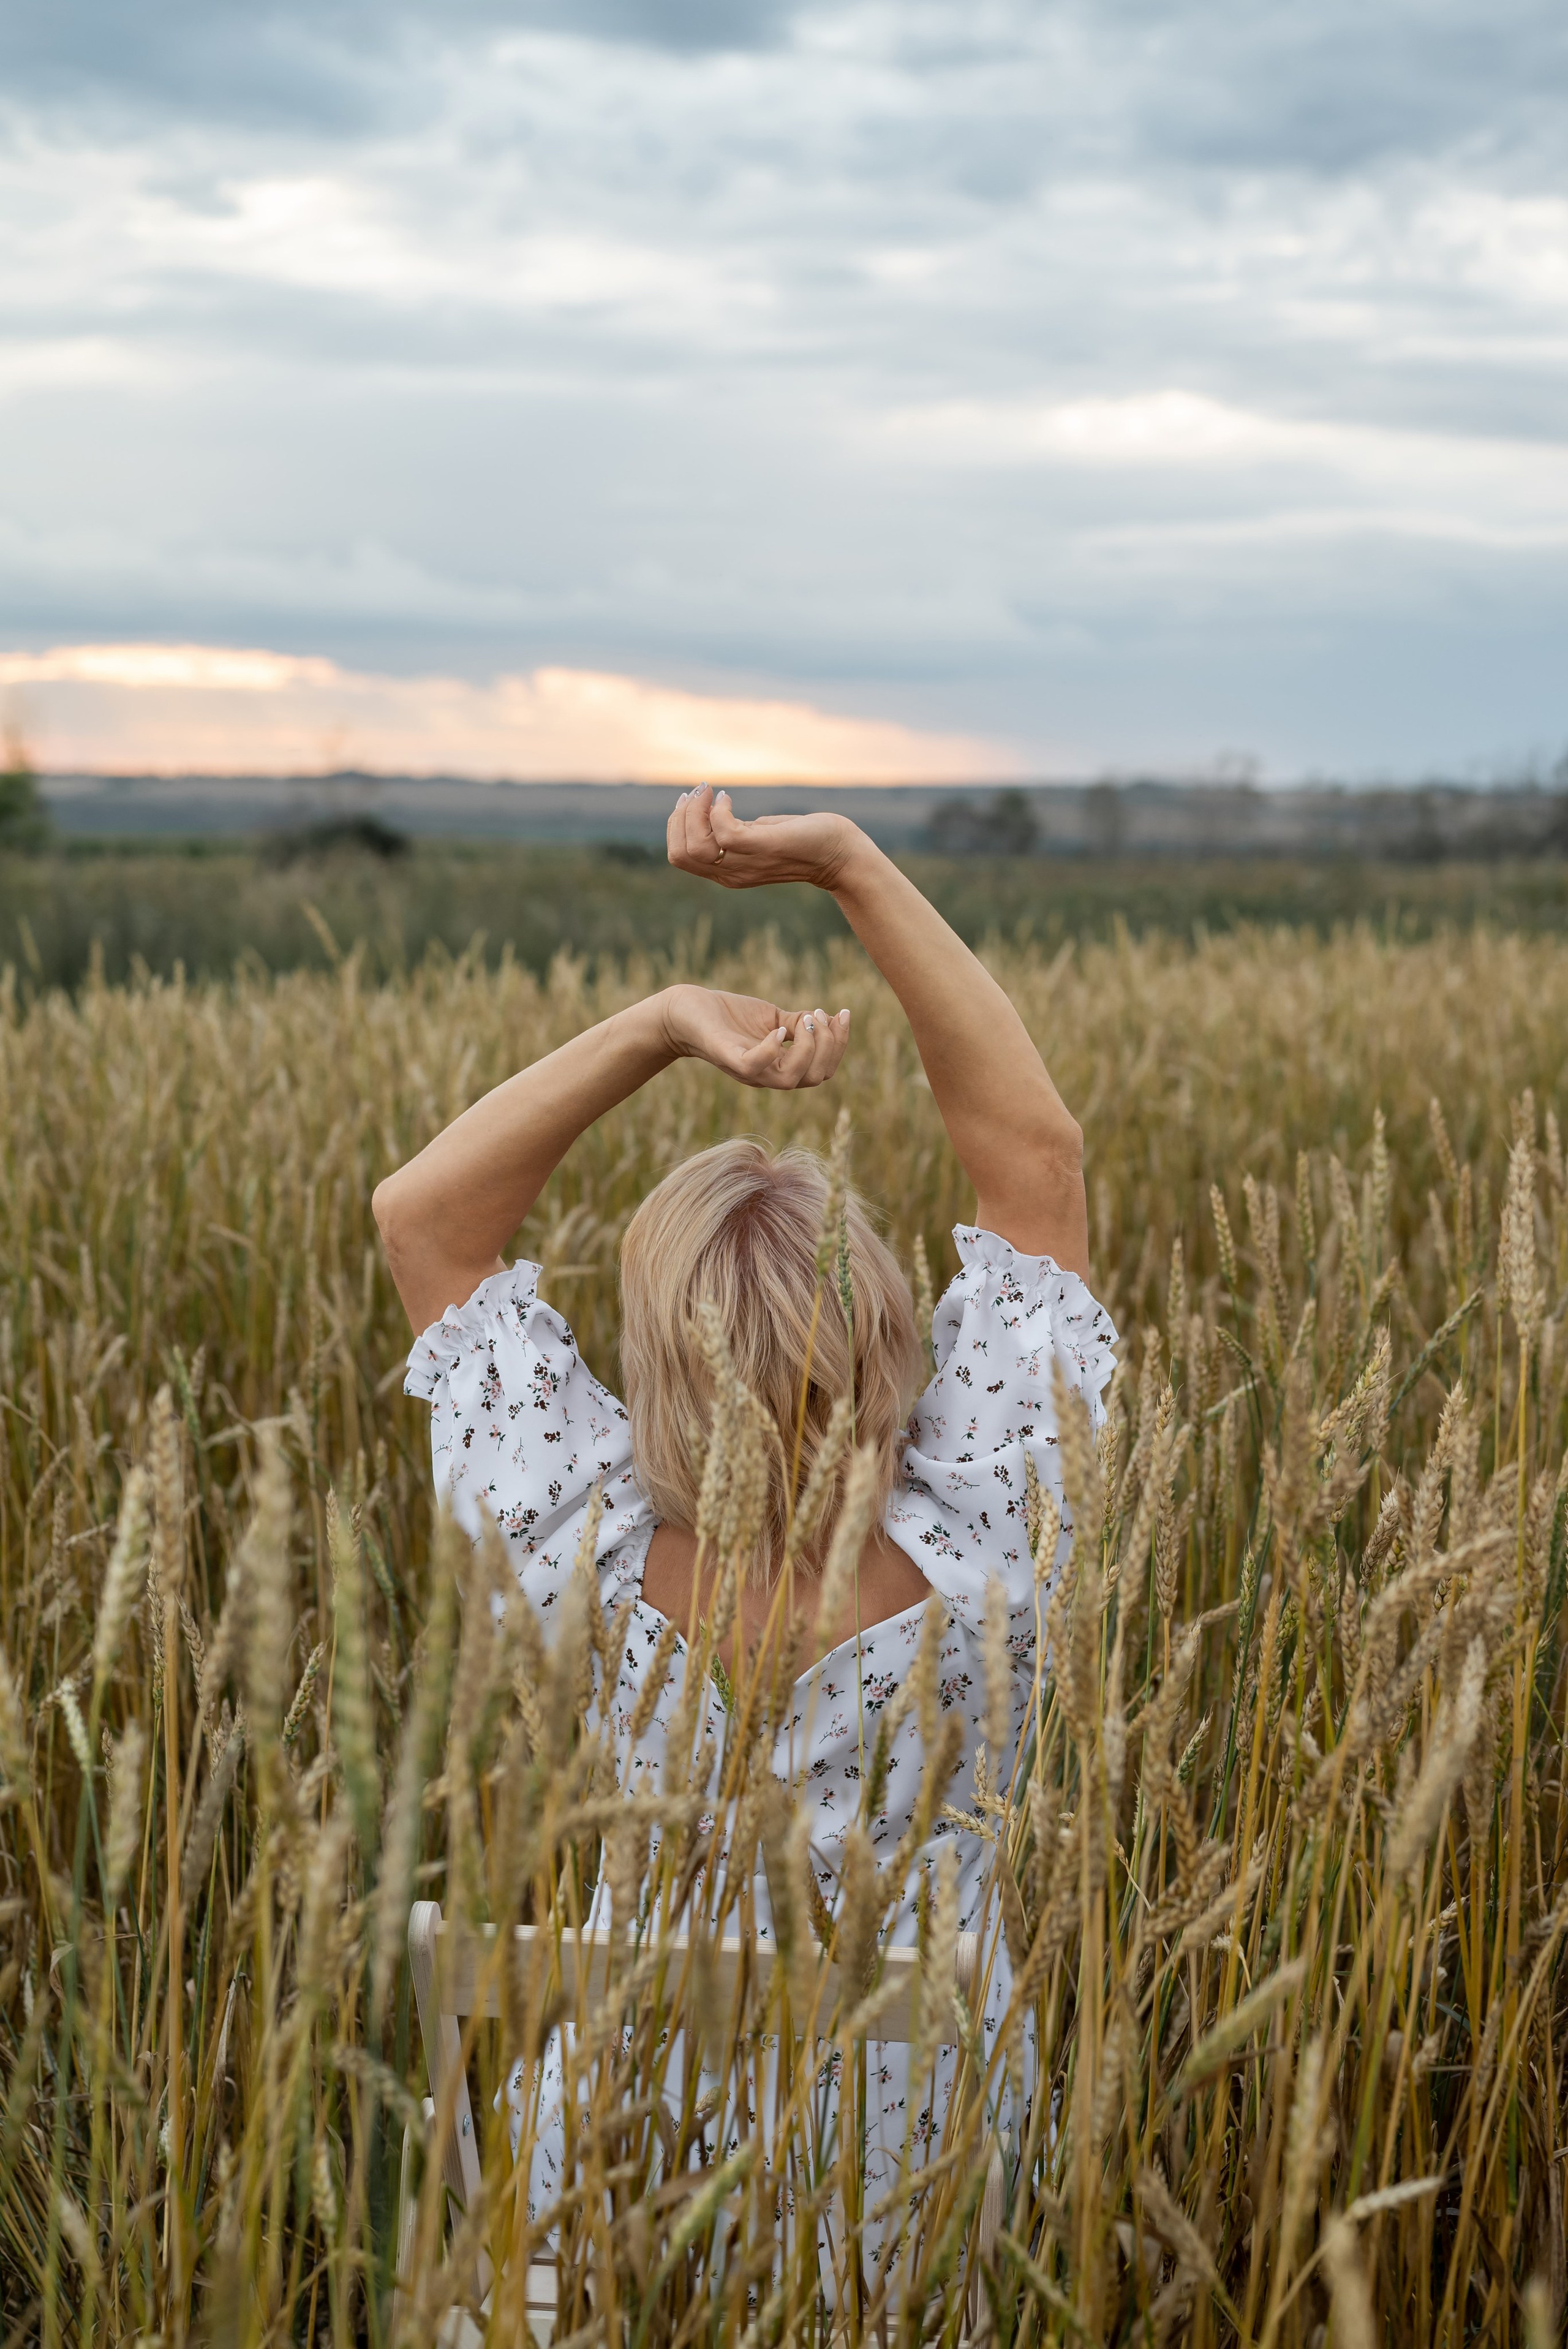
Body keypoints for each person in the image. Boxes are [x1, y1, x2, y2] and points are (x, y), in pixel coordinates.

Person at [374, 782, 1117, 2233]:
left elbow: (424, 1218)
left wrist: (662, 1023)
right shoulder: (991, 1518)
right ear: (898, 1345)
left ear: (651, 1363)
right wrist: (846, 865)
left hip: (607, 2177)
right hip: (924, 2186)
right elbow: (1034, 1163)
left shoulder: (561, 1530)